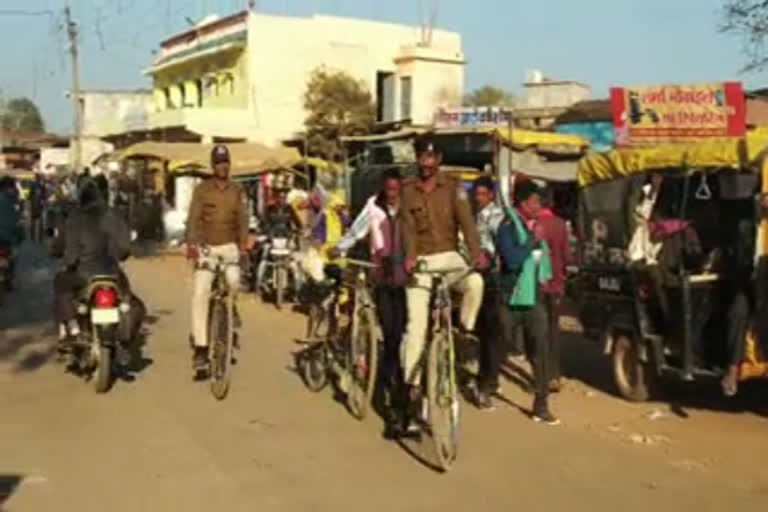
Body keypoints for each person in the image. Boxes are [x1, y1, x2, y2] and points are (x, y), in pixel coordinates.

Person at [400, 136, 486, 426]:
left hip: (450, 259)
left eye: (431, 158)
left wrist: (476, 253)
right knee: (415, 327)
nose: (426, 163)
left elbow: (468, 225)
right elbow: (407, 230)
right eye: (421, 157)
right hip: (422, 263)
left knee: (475, 284)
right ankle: (411, 389)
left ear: (438, 161)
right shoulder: (407, 191)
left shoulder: (454, 188)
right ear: (417, 159)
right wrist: (410, 257)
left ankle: (465, 330)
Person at [335, 169, 408, 437]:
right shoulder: (373, 207)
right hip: (383, 278)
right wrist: (339, 248)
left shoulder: (410, 207)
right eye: (388, 190)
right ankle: (391, 400)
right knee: (391, 338)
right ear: (383, 189)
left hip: (407, 279)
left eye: (396, 190)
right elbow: (356, 232)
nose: (393, 195)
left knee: (406, 338)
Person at [51, 175, 145, 349]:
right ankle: (124, 338)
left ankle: (72, 328)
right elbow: (124, 247)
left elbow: (70, 251)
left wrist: (64, 259)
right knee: (131, 302)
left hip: (83, 274)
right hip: (112, 274)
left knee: (60, 284)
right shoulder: (113, 215)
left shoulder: (76, 217)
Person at [496, 180, 559, 424]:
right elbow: (511, 260)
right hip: (511, 297)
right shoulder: (508, 227)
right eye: (534, 202)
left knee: (539, 350)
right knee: (500, 342)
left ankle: (541, 404)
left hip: (533, 298)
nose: (538, 206)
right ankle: (487, 383)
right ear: (523, 204)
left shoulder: (534, 226)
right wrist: (532, 241)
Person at [185, 145, 249, 370]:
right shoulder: (202, 190)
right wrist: (192, 244)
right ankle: (201, 348)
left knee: (233, 282)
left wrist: (244, 246)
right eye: (219, 163)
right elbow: (193, 218)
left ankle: (230, 311)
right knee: (201, 292)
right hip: (207, 248)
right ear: (213, 166)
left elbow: (243, 220)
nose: (223, 166)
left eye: (226, 162)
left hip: (230, 246)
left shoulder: (237, 190)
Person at [471, 176, 506, 410]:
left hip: (492, 278)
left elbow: (495, 247)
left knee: (491, 333)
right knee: (486, 333)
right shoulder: (477, 215)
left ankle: (488, 381)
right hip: (482, 275)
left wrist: (486, 255)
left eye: (483, 194)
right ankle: (488, 378)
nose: (478, 198)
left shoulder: (495, 217)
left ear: (491, 195)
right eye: (477, 194)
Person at [537, 187, 572, 393]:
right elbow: (567, 256)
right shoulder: (560, 224)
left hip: (537, 285)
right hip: (556, 284)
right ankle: (554, 375)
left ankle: (540, 375)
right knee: (553, 331)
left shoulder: (534, 224)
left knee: (537, 332)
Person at [255, 189, 304, 294]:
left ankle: (298, 286)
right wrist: (266, 232)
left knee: (295, 260)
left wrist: (299, 230)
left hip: (286, 238)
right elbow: (264, 222)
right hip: (272, 238)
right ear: (276, 198)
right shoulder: (269, 209)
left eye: (284, 197)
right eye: (280, 197)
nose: (282, 199)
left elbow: (297, 222)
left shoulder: (289, 209)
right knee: (263, 256)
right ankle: (258, 282)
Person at [28, 173, 47, 243]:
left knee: (33, 222)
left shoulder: (32, 186)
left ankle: (32, 238)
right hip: (40, 207)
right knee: (40, 223)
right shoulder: (42, 186)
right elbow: (45, 196)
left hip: (34, 206)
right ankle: (40, 239)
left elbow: (29, 197)